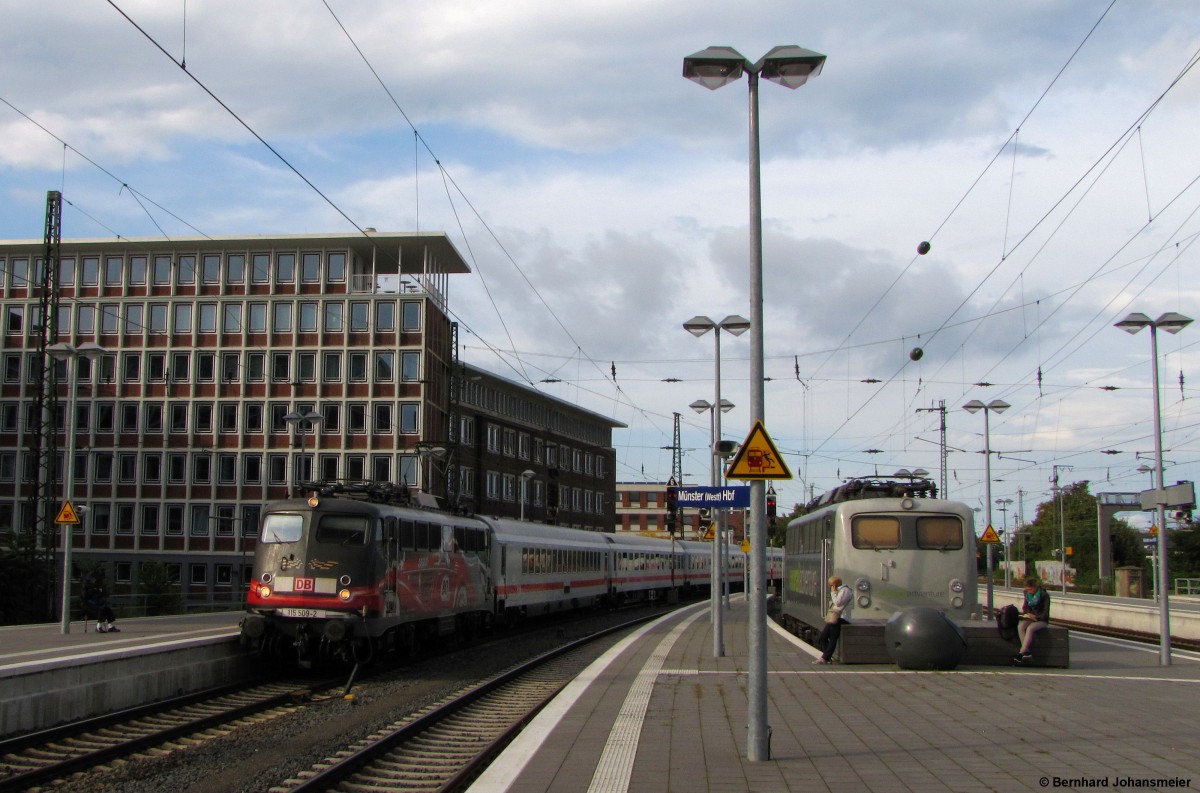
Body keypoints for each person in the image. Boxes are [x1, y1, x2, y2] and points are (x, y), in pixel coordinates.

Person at [814, 576, 853, 664]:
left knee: (833, 638)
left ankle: (825, 658)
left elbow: (837, 603)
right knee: (823, 637)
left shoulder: (845, 591)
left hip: (841, 618)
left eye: (831, 585)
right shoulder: (840, 590)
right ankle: (827, 657)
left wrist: (833, 593)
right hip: (835, 617)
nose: (831, 587)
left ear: (835, 584)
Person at [1013, 576, 1049, 663]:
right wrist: (1028, 614)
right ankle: (1027, 651)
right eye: (1027, 589)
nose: (1029, 591)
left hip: (1041, 619)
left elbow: (1045, 612)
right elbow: (1025, 607)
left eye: (1030, 589)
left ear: (1034, 588)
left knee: (1030, 629)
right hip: (1030, 617)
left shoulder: (1044, 595)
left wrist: (1036, 617)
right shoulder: (1027, 594)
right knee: (1020, 626)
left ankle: (1021, 653)